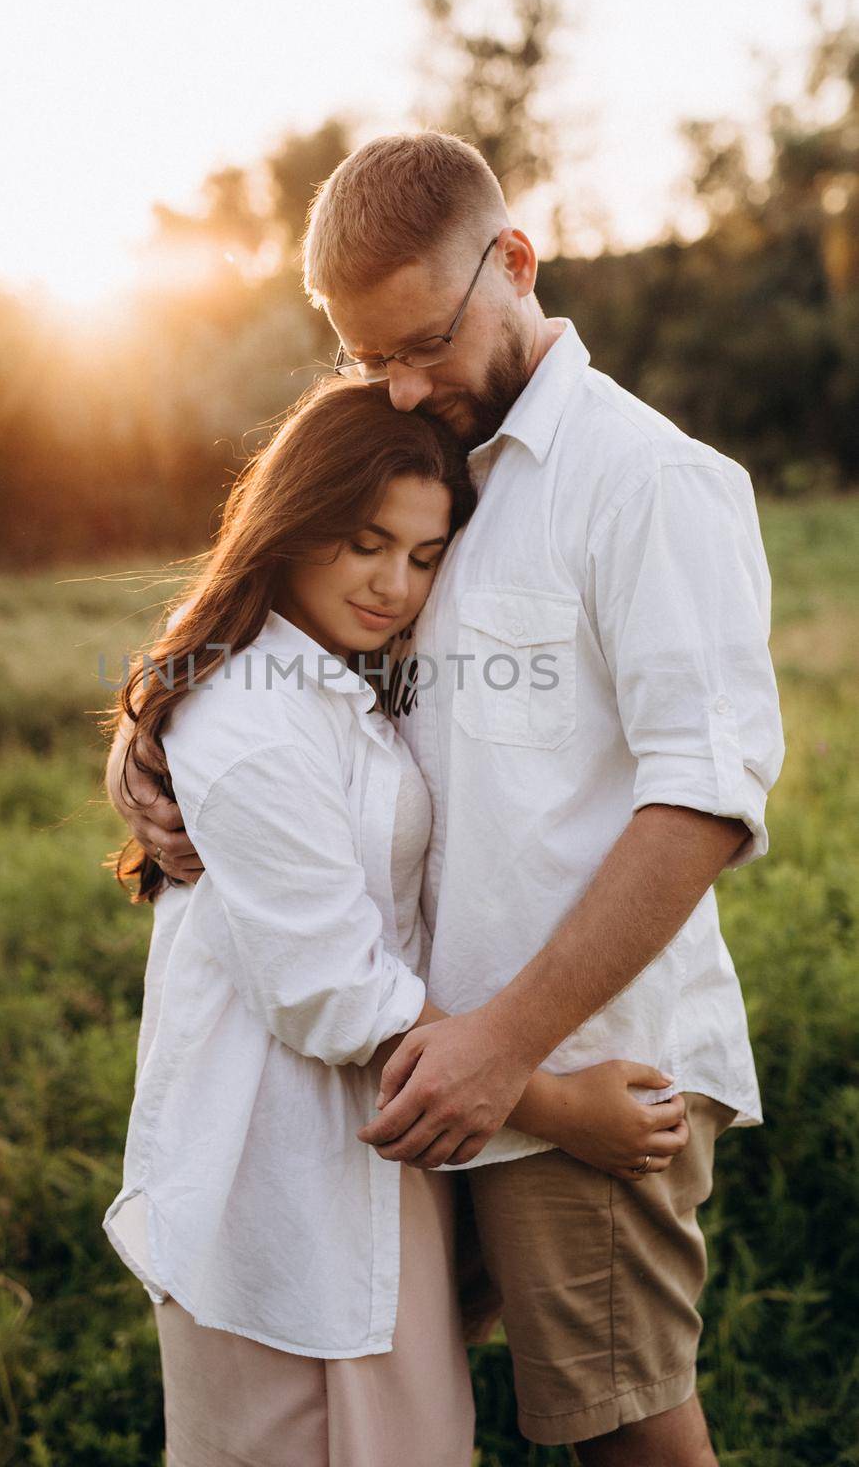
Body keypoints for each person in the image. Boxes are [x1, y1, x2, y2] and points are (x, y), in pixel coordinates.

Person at [112, 132, 785, 1464]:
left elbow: (702, 800)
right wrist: (151, 735)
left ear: (516, 263)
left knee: (628, 1431)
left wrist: (512, 1052)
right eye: (370, 358)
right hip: (421, 1072)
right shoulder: (438, 464)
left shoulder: (642, 479)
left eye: (423, 341)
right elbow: (291, 651)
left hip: (573, 1054)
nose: (404, 382)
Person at [101, 379, 692, 1467]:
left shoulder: (343, 673)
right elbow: (329, 984)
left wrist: (147, 728)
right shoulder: (252, 710)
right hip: (281, 1161)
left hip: (377, 1144)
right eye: (368, 542)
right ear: (292, 518)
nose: (394, 584)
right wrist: (562, 1108)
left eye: (424, 558)